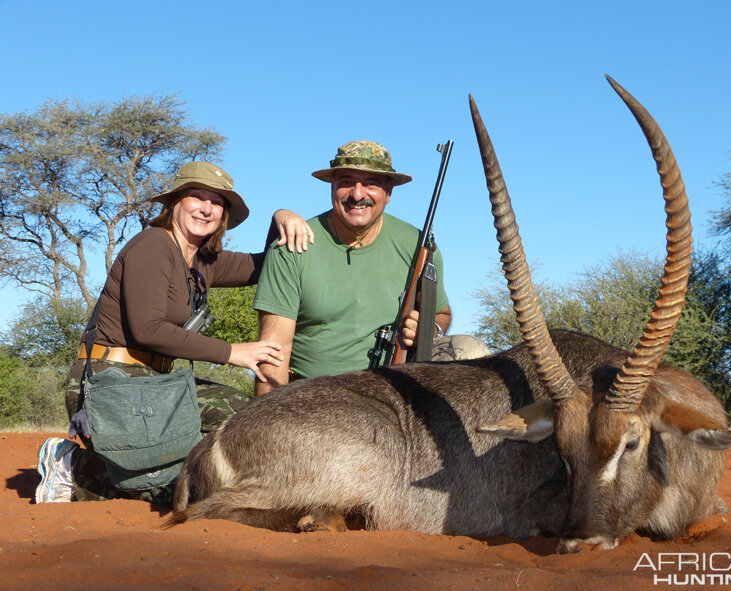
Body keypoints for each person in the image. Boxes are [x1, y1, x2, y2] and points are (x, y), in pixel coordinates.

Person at [35, 161, 313, 506]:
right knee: (179, 490)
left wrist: (281, 217)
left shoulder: (204, 261)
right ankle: (71, 465)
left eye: (217, 203)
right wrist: (233, 352)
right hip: (112, 379)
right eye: (198, 197)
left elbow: (263, 266)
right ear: (174, 203)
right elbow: (147, 329)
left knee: (246, 418)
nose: (207, 208)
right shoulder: (152, 245)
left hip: (157, 383)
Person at [252, 140, 457, 394]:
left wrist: (429, 329)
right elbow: (274, 353)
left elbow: (442, 313)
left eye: (371, 183)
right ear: (333, 186)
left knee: (467, 350)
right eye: (347, 181)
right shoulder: (290, 246)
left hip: (390, 395)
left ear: (389, 191)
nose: (357, 194)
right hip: (308, 399)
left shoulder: (419, 246)